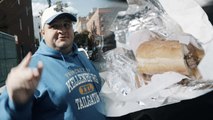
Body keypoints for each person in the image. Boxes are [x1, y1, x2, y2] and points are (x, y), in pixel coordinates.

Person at [0, 4, 106, 120]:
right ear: (43, 33)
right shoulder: (32, 68)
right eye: (54, 26)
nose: (62, 30)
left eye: (67, 24)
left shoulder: (82, 57)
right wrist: (15, 103)